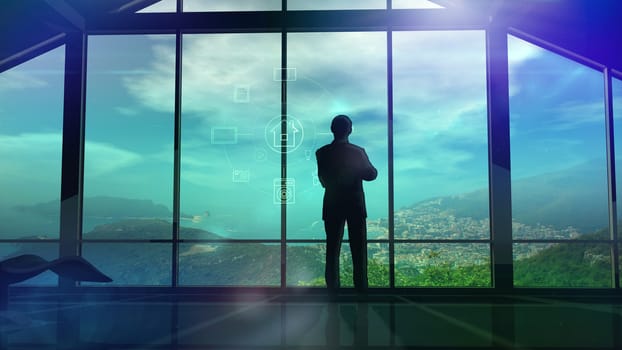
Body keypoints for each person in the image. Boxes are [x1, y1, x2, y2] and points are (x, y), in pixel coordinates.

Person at [315, 115, 377, 295]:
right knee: (359, 250)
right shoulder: (357, 152)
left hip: (332, 204)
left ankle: (333, 290)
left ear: (332, 130)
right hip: (355, 205)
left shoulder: (322, 152)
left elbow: (323, 180)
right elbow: (371, 174)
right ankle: (361, 289)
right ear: (350, 130)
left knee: (332, 249)